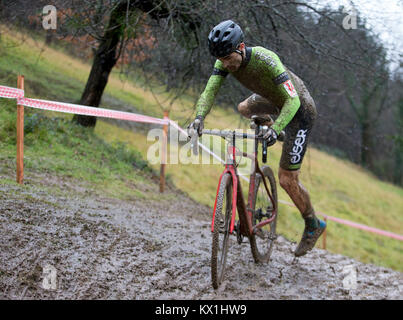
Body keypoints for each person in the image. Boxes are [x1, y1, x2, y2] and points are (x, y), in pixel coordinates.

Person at [188, 20, 326, 257]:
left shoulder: (265, 58)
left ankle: (313, 224)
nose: (226, 65)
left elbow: (292, 101)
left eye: (229, 58)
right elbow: (209, 90)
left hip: (300, 110)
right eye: (221, 60)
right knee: (244, 107)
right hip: (272, 102)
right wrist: (199, 118)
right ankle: (275, 130)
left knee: (286, 179)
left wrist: (275, 128)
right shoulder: (224, 60)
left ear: (241, 46)